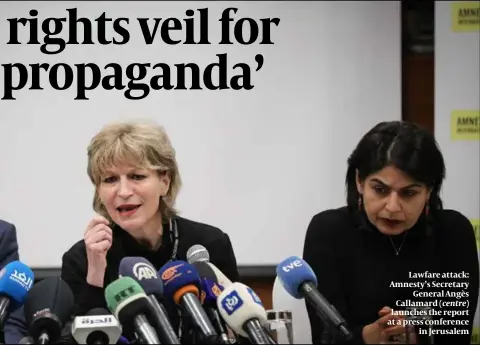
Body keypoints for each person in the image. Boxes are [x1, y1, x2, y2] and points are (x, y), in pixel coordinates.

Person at [61, 120, 240, 343]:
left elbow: (238, 330)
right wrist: (96, 274)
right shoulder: (81, 259)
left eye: (137, 176)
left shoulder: (208, 245)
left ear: (164, 181)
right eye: (110, 179)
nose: (123, 191)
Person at [302, 121, 479, 344]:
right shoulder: (328, 231)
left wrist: (415, 330)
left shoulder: (453, 232)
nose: (393, 207)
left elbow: (457, 333)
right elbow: (326, 337)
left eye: (409, 193)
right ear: (360, 182)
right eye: (380, 189)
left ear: (429, 190)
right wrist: (369, 336)